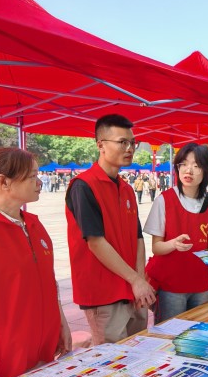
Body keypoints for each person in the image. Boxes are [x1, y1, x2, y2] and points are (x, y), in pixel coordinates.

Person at [0, 148, 71, 377]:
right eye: (32, 176)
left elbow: (49, 281)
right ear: (3, 182)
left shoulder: (34, 225)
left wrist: (61, 323)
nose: (39, 182)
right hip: (2, 361)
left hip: (42, 352)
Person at [65, 114, 155, 345]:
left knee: (139, 352)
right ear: (101, 145)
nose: (129, 148)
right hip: (104, 293)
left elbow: (138, 237)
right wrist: (135, 279)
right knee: (112, 360)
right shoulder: (83, 186)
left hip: (133, 289)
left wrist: (139, 278)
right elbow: (95, 242)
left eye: (132, 143)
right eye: (122, 142)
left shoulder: (126, 189)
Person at [144, 143, 208, 323]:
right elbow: (156, 247)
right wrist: (173, 244)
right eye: (184, 164)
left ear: (206, 171)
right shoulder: (165, 200)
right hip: (171, 285)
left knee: (201, 332)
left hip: (200, 283)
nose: (189, 170)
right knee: (170, 333)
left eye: (196, 165)